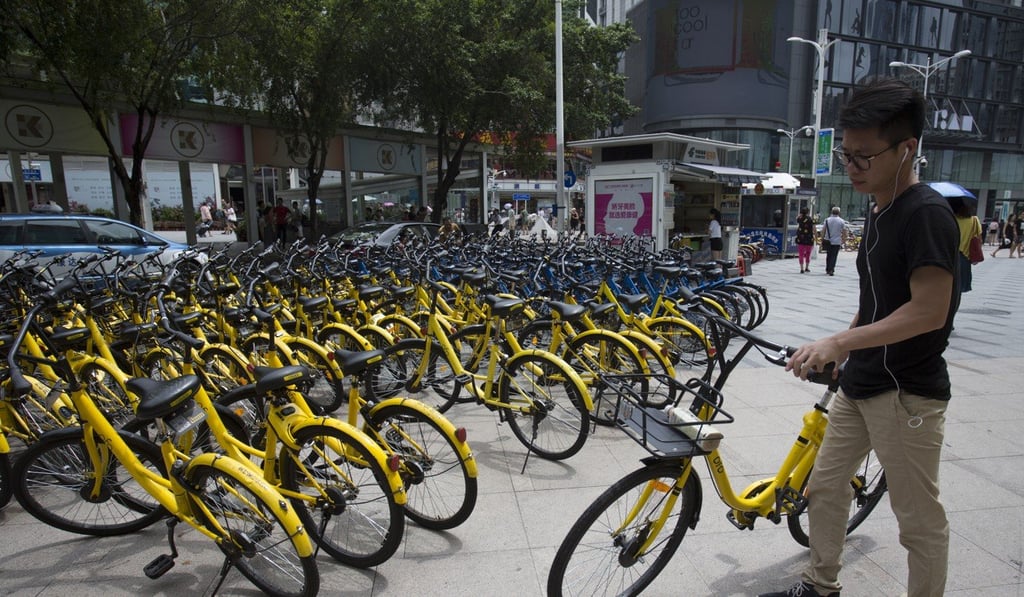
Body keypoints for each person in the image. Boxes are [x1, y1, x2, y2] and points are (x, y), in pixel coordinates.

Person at [761, 78, 960, 597]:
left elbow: (929, 310)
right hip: (862, 382)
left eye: (863, 157)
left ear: (906, 148)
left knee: (918, 520)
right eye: (846, 155)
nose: (851, 167)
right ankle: (820, 585)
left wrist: (842, 343)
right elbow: (877, 302)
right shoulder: (877, 209)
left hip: (907, 392)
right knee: (825, 488)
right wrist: (837, 347)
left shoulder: (926, 214)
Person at [951, 197, 980, 292]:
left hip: (949, 255)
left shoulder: (949, 218)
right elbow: (978, 237)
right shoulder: (974, 220)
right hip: (965, 257)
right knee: (959, 289)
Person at [821, 206, 847, 276]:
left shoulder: (827, 220)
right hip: (837, 241)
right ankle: (831, 269)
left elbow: (823, 230)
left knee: (828, 255)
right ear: (839, 213)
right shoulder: (841, 221)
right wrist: (844, 240)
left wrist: (822, 239)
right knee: (834, 256)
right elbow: (844, 232)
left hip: (828, 240)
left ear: (831, 212)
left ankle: (828, 268)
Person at [795, 206, 815, 273]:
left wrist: (800, 215)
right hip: (809, 238)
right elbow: (814, 228)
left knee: (801, 253)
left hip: (800, 238)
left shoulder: (799, 219)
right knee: (808, 253)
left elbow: (797, 218)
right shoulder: (810, 219)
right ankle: (807, 267)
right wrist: (815, 236)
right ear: (808, 212)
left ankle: (801, 268)